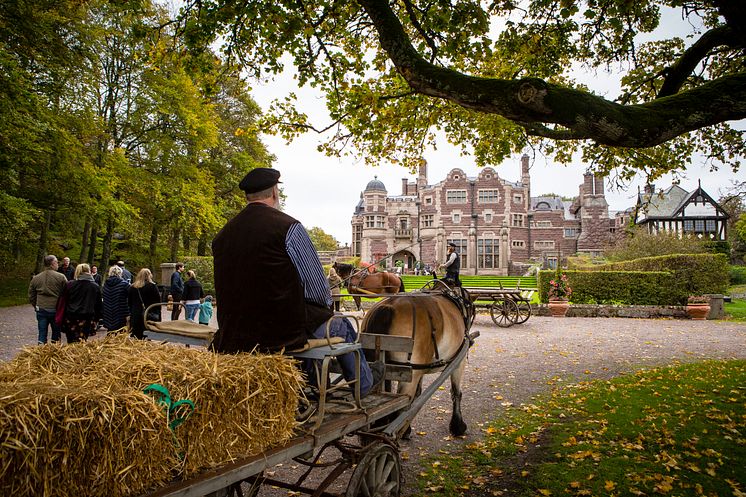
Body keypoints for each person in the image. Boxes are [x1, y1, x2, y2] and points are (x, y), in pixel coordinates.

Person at [212, 167, 382, 396]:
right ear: (274, 192)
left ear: (248, 196)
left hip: (234, 333)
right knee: (341, 323)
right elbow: (317, 290)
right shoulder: (288, 227)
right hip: (279, 333)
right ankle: (363, 386)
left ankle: (310, 384)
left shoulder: (223, 234)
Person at [28, 255, 68, 344]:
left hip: (41, 308)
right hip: (55, 309)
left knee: (42, 333)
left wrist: (36, 305)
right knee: (56, 334)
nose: (58, 264)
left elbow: (31, 295)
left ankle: (41, 352)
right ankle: (55, 353)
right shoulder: (61, 277)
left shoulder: (36, 278)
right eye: (57, 262)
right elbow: (66, 292)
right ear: (53, 263)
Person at [59, 264, 102, 343]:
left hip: (71, 316)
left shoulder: (70, 284)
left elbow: (63, 300)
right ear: (89, 271)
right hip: (86, 317)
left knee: (71, 340)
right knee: (82, 340)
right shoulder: (95, 286)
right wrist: (96, 319)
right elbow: (98, 305)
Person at [128, 268, 162, 339]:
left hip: (135, 314)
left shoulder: (133, 287)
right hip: (148, 314)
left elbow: (129, 302)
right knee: (146, 335)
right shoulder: (152, 286)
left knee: (136, 336)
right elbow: (157, 302)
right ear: (149, 275)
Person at [102, 265, 130, 332]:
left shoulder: (105, 284)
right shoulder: (125, 285)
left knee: (110, 334)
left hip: (108, 313)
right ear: (120, 273)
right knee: (121, 335)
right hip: (121, 313)